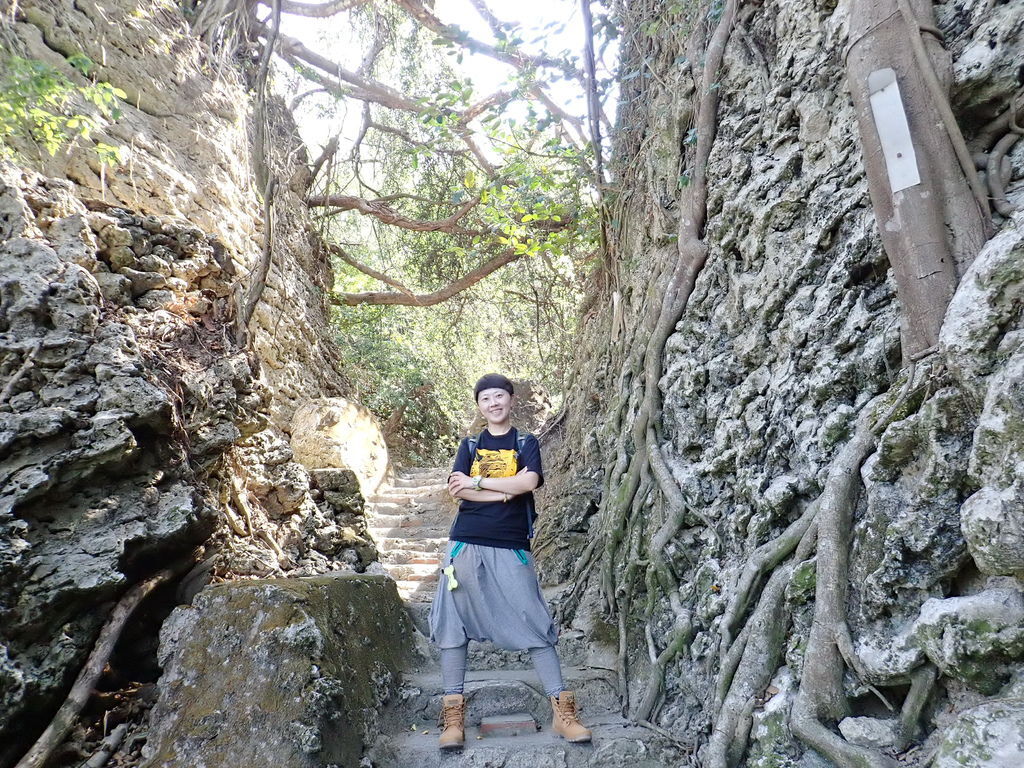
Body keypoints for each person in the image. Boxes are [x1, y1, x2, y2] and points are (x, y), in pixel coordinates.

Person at [428, 373, 592, 750]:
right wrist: (503, 491)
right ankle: (453, 718)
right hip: (465, 543)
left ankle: (562, 712)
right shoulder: (470, 444)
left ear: (511, 399)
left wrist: (481, 484)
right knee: (453, 622)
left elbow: (529, 482)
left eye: (499, 396)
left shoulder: (525, 442)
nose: (493, 403)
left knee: (534, 619)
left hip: (511, 544)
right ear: (480, 406)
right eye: (485, 398)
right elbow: (458, 491)